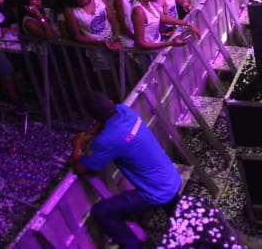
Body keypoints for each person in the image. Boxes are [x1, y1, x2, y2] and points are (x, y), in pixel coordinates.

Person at [71, 93, 183, 249]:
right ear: (111, 103)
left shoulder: (105, 141)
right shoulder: (125, 111)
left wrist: (77, 144)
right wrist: (90, 134)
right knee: (168, 201)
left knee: (100, 211)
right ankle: (180, 220)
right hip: (171, 177)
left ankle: (133, 246)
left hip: (156, 192)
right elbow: (106, 121)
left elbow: (80, 168)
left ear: (92, 117)